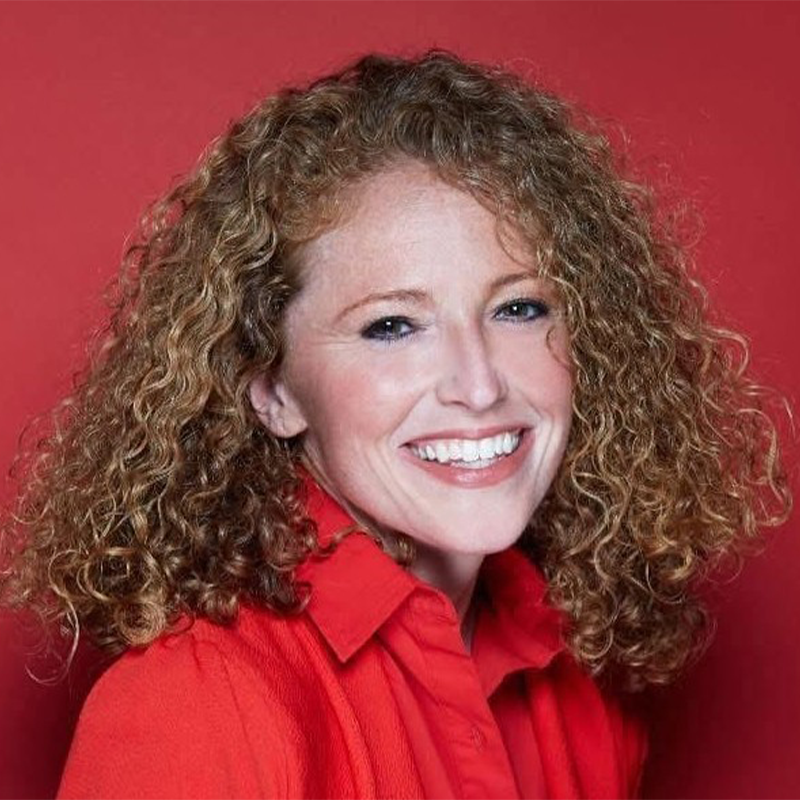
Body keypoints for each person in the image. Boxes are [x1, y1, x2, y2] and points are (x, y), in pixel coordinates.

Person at [0, 50, 790, 799]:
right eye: (391, 326)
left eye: (519, 308)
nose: (479, 386)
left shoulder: (579, 686)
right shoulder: (198, 705)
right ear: (273, 390)